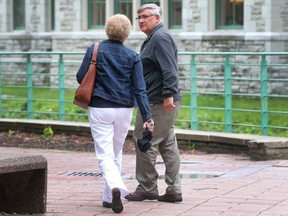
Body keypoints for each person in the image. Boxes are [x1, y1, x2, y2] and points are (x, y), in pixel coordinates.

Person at [76, 14, 154, 213]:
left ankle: (116, 187)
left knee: (104, 154)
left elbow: (80, 77)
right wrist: (147, 116)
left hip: (100, 108)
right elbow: (140, 89)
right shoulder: (132, 56)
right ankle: (109, 198)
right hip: (124, 110)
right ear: (127, 34)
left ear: (107, 30)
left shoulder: (94, 50)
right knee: (116, 151)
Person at [124, 4, 183, 203]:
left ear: (156, 18)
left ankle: (147, 187)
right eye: (138, 17)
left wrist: (168, 95)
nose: (141, 20)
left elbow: (170, 69)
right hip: (157, 100)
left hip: (158, 101)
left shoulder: (160, 38)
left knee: (144, 139)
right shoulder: (154, 38)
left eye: (145, 17)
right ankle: (174, 189)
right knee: (167, 143)